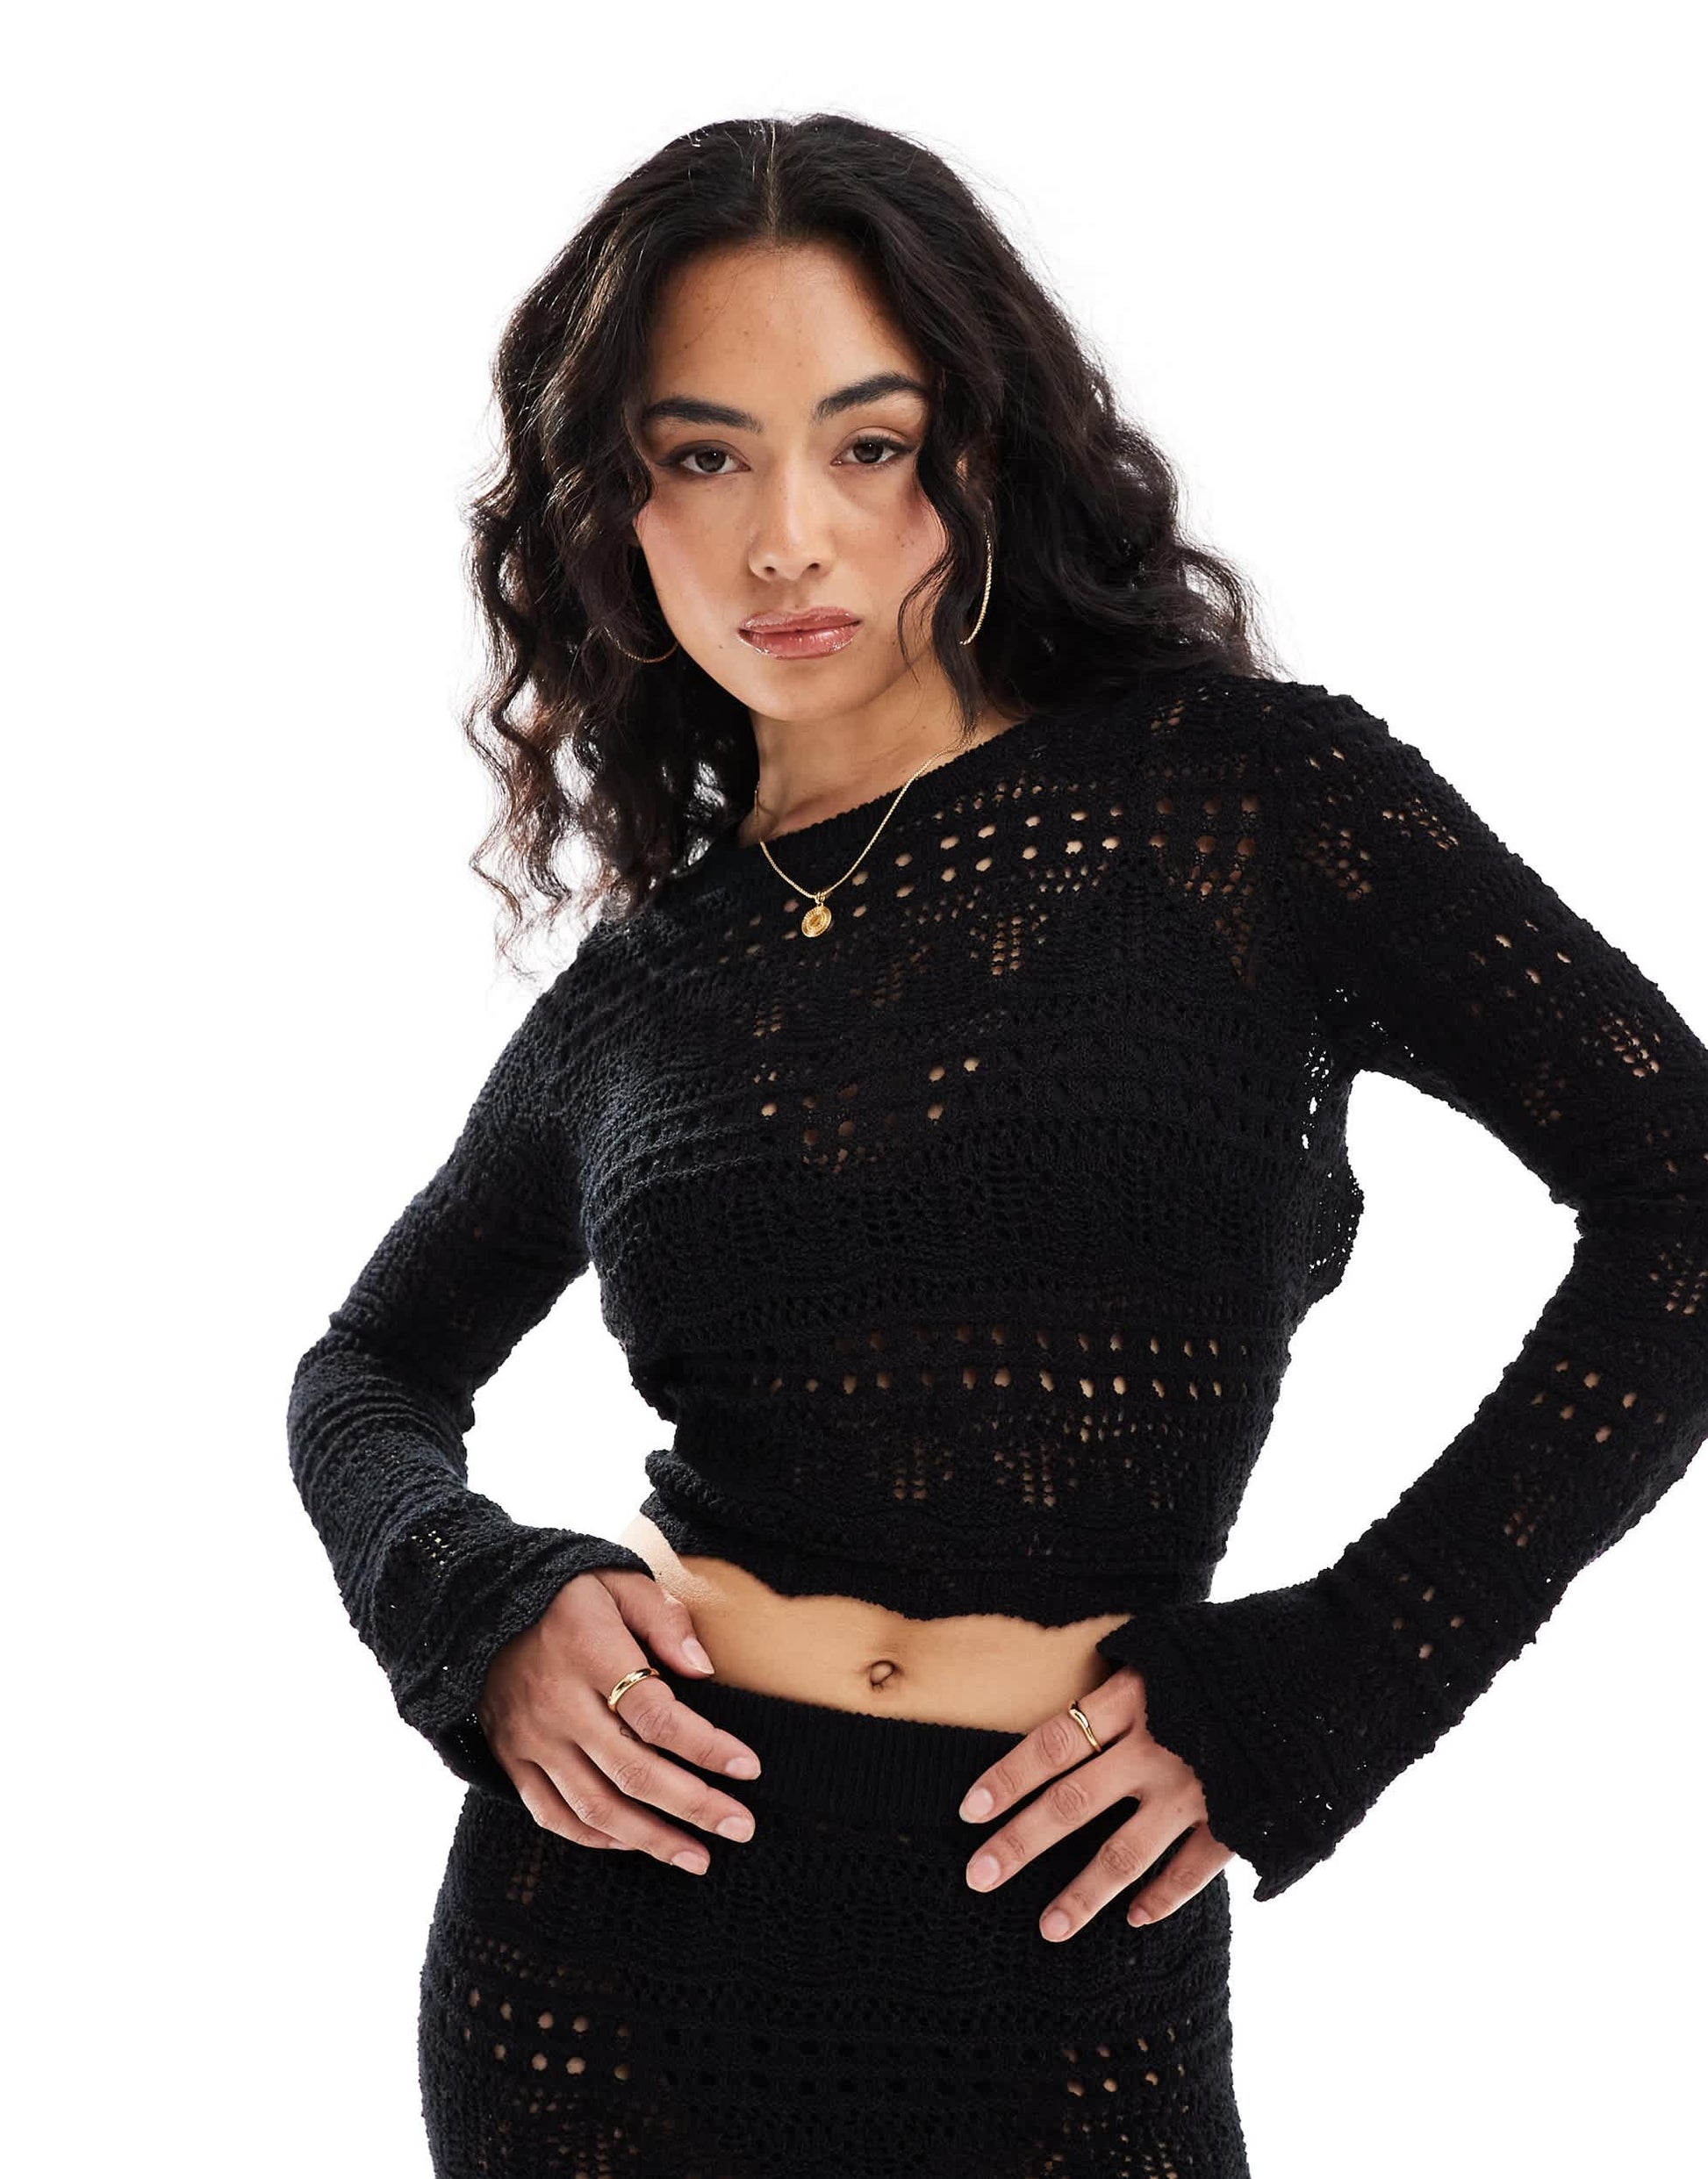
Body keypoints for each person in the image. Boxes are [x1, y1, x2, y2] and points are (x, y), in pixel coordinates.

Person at [284, 114, 1708, 2179]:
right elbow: (369, 1368)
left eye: (866, 444)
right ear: (611, 504)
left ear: (981, 446)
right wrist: (476, 1602)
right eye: (703, 457)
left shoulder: (1248, 804)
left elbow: (1682, 1199)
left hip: (1063, 1963)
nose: (789, 541)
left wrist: (1347, 1672)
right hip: (596, 1966)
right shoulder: (649, 978)